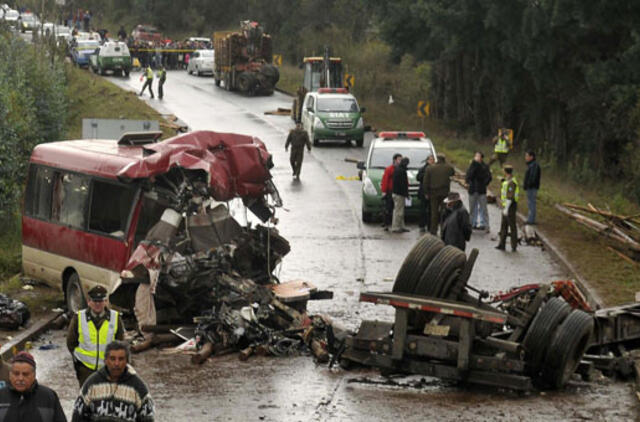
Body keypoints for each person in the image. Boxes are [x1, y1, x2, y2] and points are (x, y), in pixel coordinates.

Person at [72, 341, 154, 422]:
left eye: (121, 359)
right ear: (106, 360)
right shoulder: (91, 384)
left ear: (127, 361)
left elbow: (148, 418)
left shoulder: (139, 388)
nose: (116, 363)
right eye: (112, 359)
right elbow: (77, 416)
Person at [67, 285, 125, 386]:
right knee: (87, 399)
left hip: (108, 369)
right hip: (85, 369)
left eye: (101, 301)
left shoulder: (115, 317)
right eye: (95, 301)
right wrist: (78, 361)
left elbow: (120, 343)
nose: (98, 304)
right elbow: (71, 342)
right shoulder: (79, 318)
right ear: (89, 302)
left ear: (106, 302)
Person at [0, 351, 66, 422]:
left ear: (34, 375)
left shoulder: (48, 397)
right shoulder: (1, 396)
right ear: (10, 375)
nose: (20, 378)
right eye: (16, 374)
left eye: (25, 374)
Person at [424, 154, 455, 235]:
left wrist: (426, 192)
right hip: (444, 192)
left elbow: (425, 182)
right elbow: (453, 173)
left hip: (433, 193)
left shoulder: (430, 168)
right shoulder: (448, 168)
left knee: (434, 212)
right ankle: (443, 229)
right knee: (444, 211)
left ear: (437, 159)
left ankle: (433, 230)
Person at [465, 151, 492, 232]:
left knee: (483, 208)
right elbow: (469, 176)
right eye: (475, 156)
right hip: (473, 189)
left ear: (481, 158)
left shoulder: (484, 166)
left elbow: (488, 176)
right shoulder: (472, 165)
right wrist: (469, 183)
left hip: (481, 190)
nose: (476, 157)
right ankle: (472, 224)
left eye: (478, 156)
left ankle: (485, 225)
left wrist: (485, 183)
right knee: (472, 208)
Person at [496, 164, 519, 252]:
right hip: (506, 206)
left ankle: (514, 245)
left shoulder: (511, 183)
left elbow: (510, 196)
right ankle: (502, 244)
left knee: (512, 225)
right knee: (503, 226)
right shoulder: (508, 180)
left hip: (510, 206)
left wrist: (506, 209)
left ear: (505, 172)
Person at [380, 153, 402, 230]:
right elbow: (385, 180)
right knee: (388, 208)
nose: (400, 161)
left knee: (397, 209)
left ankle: (395, 224)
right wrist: (384, 191)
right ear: (394, 160)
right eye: (399, 159)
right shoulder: (389, 169)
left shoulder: (401, 169)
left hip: (398, 191)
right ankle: (386, 223)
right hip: (390, 191)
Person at [391, 157, 410, 233]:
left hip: (396, 193)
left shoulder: (397, 169)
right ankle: (396, 227)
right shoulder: (401, 171)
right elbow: (403, 184)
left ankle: (401, 226)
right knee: (398, 211)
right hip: (399, 194)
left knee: (399, 210)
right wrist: (406, 193)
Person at [417, 155, 435, 233]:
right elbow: (418, 177)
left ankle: (430, 226)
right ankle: (422, 225)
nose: (432, 161)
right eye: (430, 160)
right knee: (423, 210)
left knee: (431, 210)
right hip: (424, 192)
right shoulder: (423, 169)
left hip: (432, 192)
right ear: (427, 160)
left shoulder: (435, 169)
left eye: (433, 160)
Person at [523, 150, 541, 225]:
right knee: (530, 203)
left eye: (527, 156)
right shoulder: (531, 165)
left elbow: (532, 178)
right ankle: (530, 218)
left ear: (531, 157)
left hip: (532, 187)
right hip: (530, 187)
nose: (525, 158)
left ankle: (531, 220)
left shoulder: (534, 166)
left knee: (531, 203)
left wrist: (528, 185)